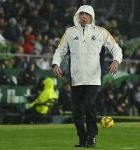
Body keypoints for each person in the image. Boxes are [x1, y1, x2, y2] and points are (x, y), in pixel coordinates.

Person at [52, 5, 122, 147]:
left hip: (93, 78)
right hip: (75, 78)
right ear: (77, 16)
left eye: (87, 14)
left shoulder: (102, 32)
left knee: (90, 105)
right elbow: (60, 50)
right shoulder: (70, 32)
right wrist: (55, 64)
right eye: (81, 14)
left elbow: (116, 48)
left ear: (92, 17)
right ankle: (82, 138)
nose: (83, 16)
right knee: (76, 112)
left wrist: (116, 60)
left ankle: (92, 136)